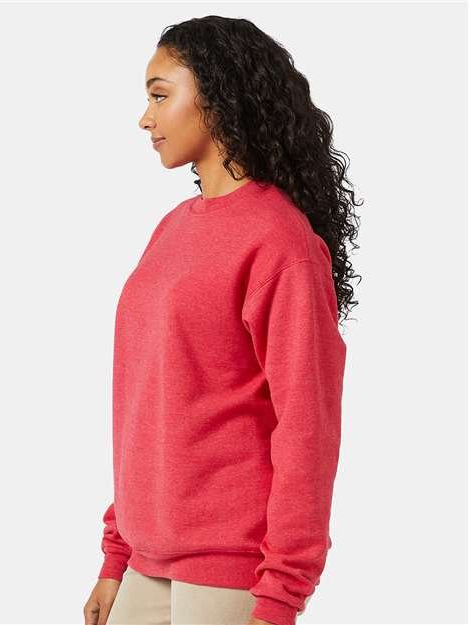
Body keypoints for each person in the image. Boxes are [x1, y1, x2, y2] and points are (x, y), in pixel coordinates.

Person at [83, 14, 361, 625]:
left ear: (217, 95)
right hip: (146, 562)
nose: (146, 118)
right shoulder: (171, 230)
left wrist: (281, 592)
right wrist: (116, 555)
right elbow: (147, 401)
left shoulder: (281, 241)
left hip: (232, 571)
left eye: (161, 95)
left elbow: (307, 428)